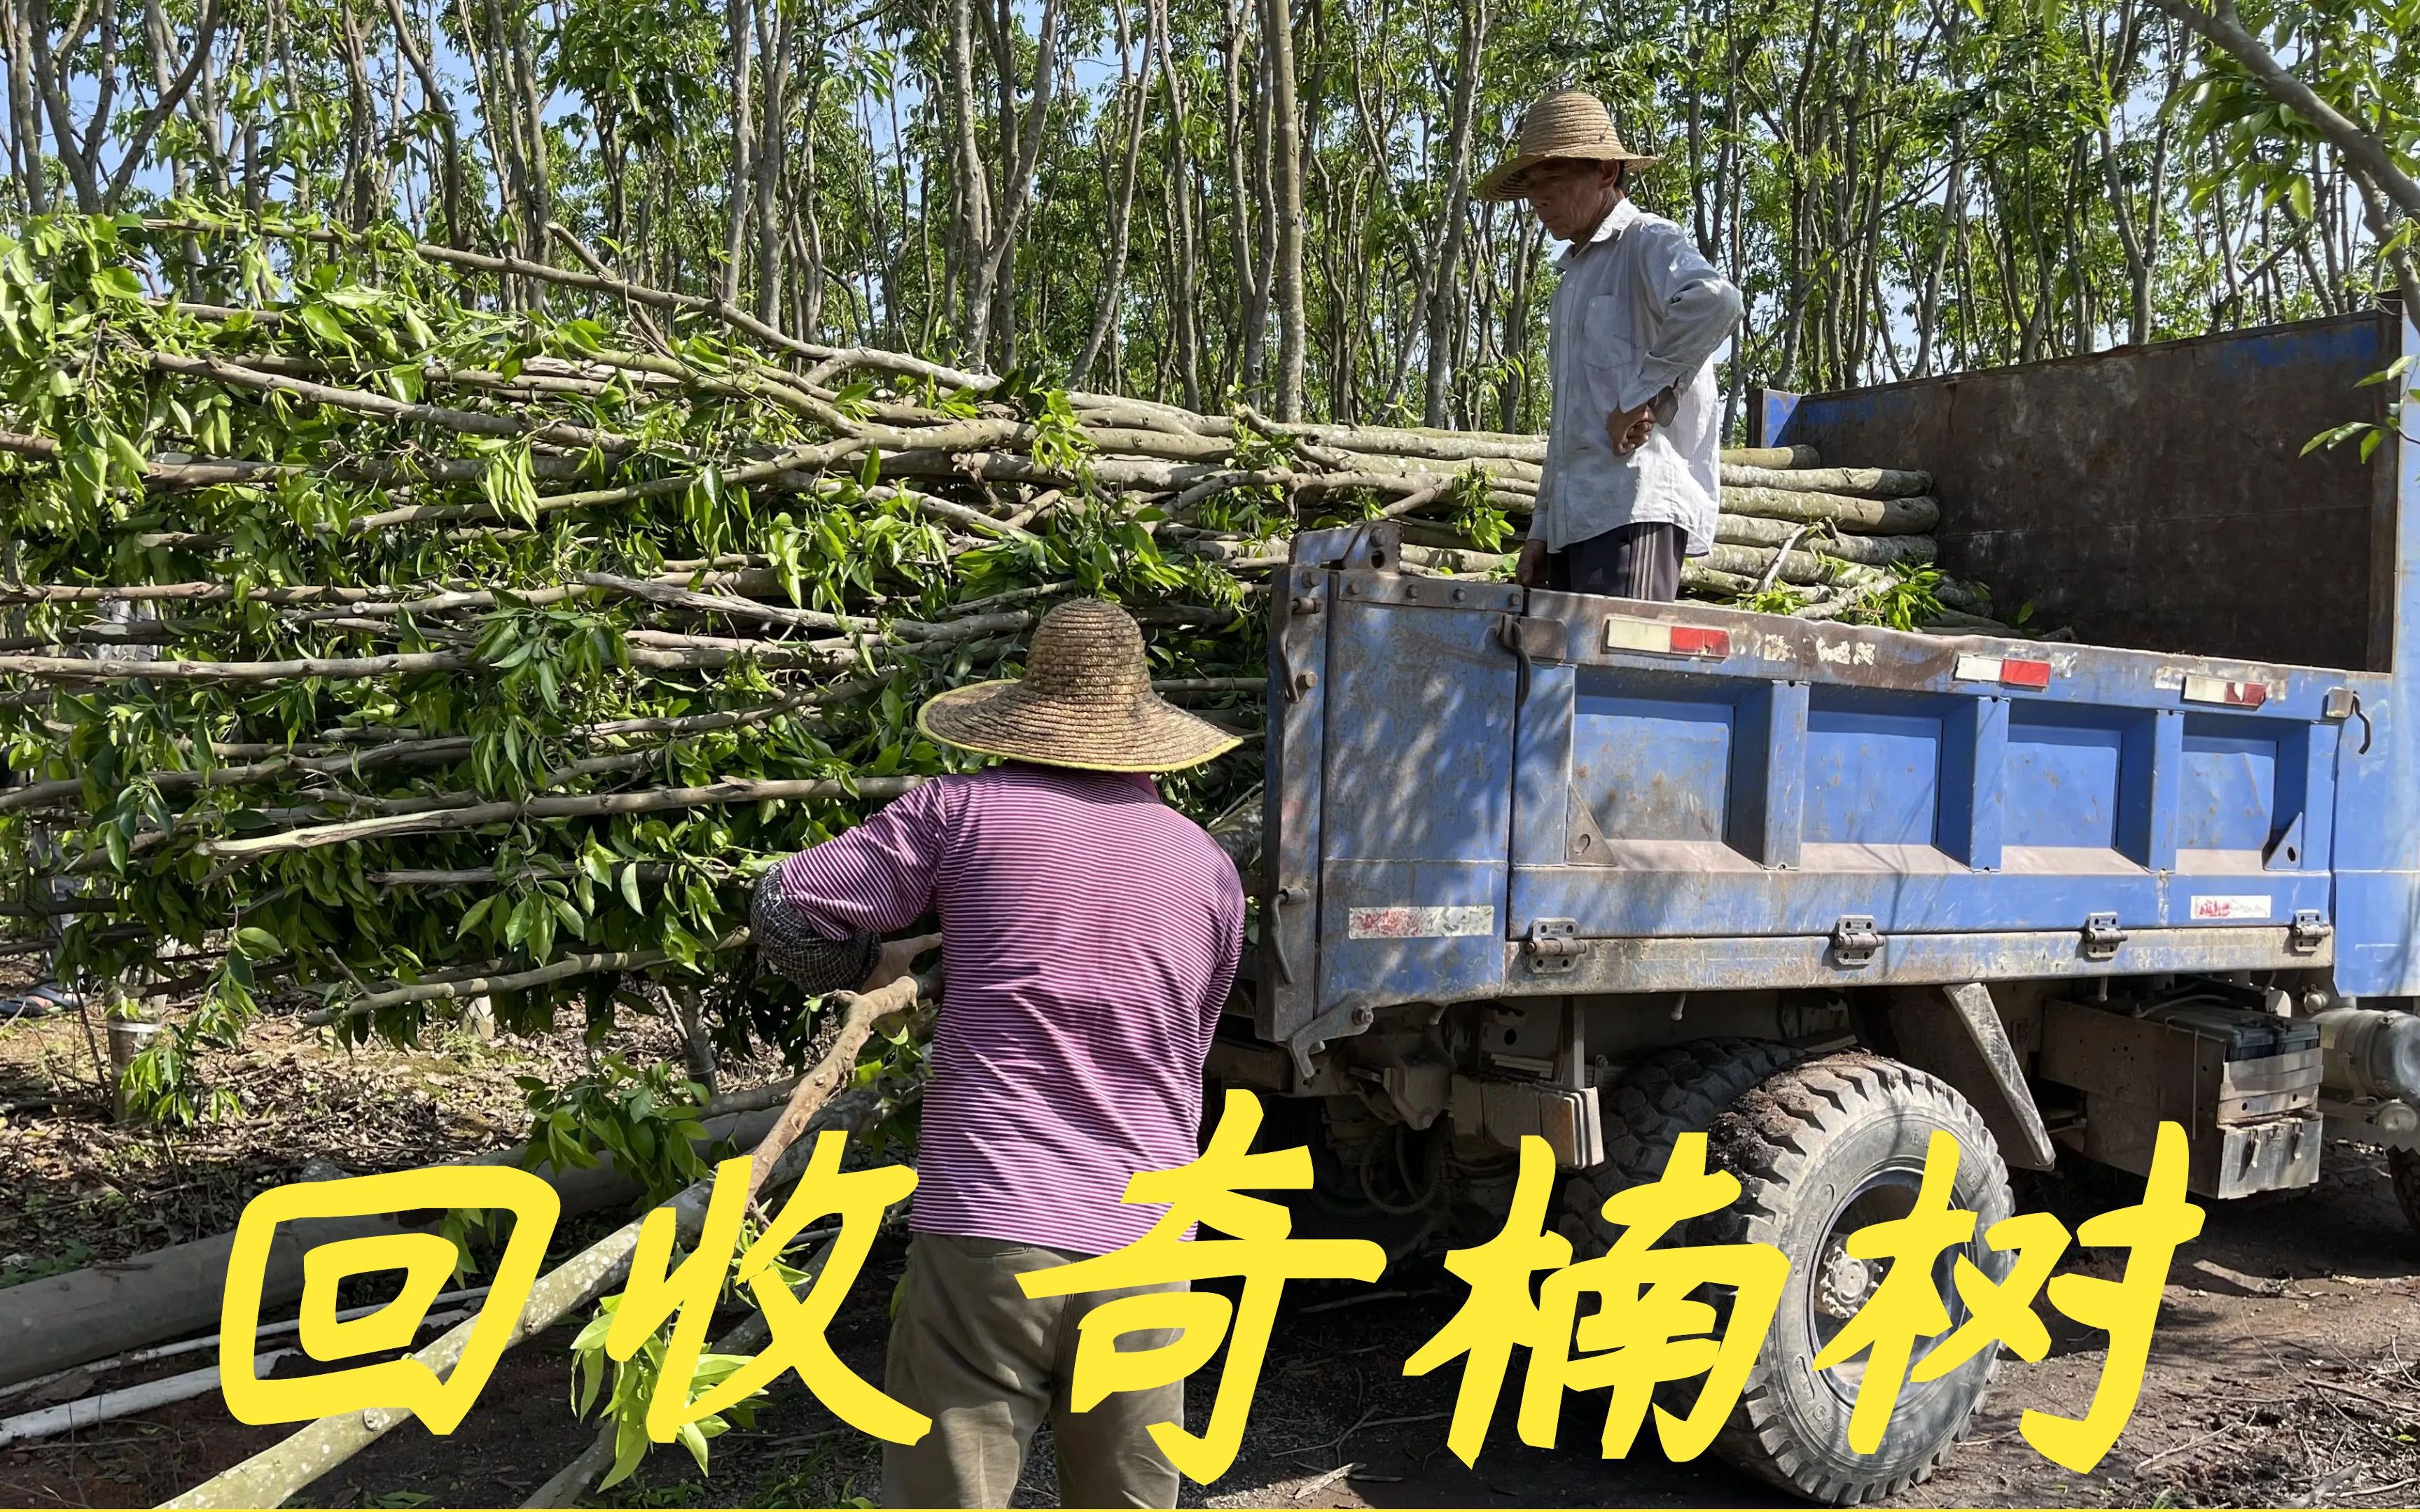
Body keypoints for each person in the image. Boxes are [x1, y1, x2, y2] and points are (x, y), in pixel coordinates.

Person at [748, 598, 1248, 1510]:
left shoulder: (958, 813)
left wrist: (870, 965)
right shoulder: (1205, 864)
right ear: (1144, 736)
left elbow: (782, 907)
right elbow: (1189, 1041)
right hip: (1147, 1242)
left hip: (992, 1225)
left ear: (1022, 714)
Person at [1476, 90, 1744, 601]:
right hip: (1575, 525)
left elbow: (1716, 300)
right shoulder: (1572, 280)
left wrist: (1640, 396)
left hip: (1634, 509)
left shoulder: (1647, 240)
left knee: (1617, 677)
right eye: (1530, 186)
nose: (1539, 199)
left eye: (1552, 178)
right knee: (1567, 680)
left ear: (1603, 172)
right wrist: (1540, 530)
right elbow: (1567, 424)